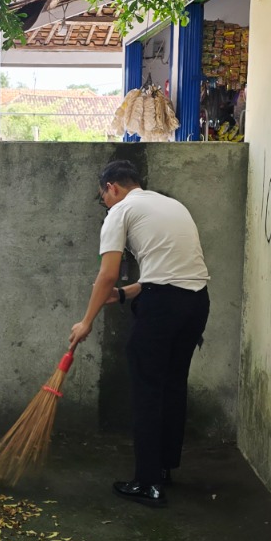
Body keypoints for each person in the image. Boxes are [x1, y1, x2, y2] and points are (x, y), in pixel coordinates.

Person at [68, 159, 210, 508]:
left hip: (162, 307)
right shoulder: (170, 205)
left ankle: (147, 483)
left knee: (147, 390)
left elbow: (106, 274)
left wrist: (86, 322)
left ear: (112, 188)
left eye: (103, 198)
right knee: (172, 386)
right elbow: (166, 276)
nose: (105, 205)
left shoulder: (121, 211)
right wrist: (121, 295)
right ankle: (162, 469)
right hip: (196, 304)